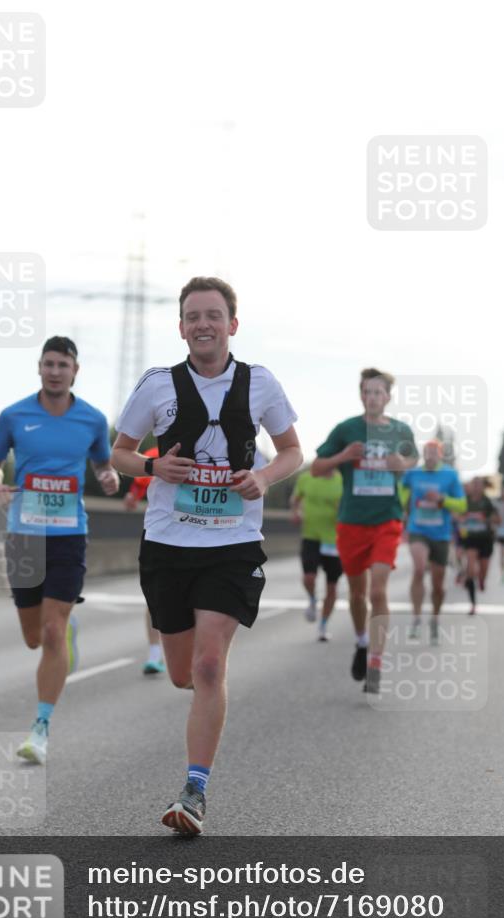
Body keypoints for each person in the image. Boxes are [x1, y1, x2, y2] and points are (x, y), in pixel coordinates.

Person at [111, 276, 302, 835]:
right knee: (181, 675)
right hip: (169, 544)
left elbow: (292, 451)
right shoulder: (157, 385)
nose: (203, 325)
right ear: (181, 327)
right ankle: (207, 700)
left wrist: (264, 476)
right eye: (193, 316)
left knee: (210, 664)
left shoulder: (260, 383)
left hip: (232, 546)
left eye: (213, 315)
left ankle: (193, 792)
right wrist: (152, 466)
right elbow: (118, 453)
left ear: (232, 325)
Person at [0, 336, 119, 764]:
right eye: (48, 364)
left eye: (63, 364)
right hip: (23, 534)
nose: (55, 371)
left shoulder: (92, 420)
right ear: (39, 368)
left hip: (68, 534)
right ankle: (62, 632)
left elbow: (102, 462)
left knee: (53, 630)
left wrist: (109, 476)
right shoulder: (14, 415)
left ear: (75, 370)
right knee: (32, 637)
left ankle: (40, 728)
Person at [311, 368, 418, 695]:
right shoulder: (347, 429)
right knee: (357, 593)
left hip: (387, 520)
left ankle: (376, 661)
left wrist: (398, 461)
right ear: (361, 396)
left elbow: (412, 462)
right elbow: (316, 468)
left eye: (378, 392)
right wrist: (344, 455)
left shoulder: (400, 430)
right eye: (367, 392)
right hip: (352, 522)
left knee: (377, 591)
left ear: (388, 397)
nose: (373, 397)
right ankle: (361, 641)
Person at [400, 440, 466, 644]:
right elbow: (401, 492)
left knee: (438, 585)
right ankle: (416, 618)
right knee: (419, 569)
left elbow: (462, 505)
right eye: (426, 452)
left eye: (433, 453)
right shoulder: (412, 474)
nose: (429, 456)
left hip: (441, 534)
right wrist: (403, 505)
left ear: (439, 455)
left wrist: (442, 500)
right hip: (417, 529)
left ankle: (435, 618)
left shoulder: (450, 475)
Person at [123, 446, 166, 674]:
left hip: (203, 540)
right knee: (155, 598)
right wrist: (133, 496)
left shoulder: (219, 443)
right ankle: (154, 654)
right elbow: (140, 481)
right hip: (160, 536)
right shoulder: (157, 452)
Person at [290, 467, 343, 640]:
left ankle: (323, 625)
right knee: (309, 578)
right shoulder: (306, 478)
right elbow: (295, 499)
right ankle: (313, 599)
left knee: (332, 586)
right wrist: (296, 512)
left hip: (334, 540)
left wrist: (342, 511)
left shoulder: (342, 481)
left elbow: (349, 507)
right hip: (310, 536)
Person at [456, 477, 496, 613]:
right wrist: (464, 518)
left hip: (485, 540)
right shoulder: (464, 501)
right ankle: (473, 605)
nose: (477, 487)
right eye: (475, 485)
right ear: (471, 486)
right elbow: (456, 516)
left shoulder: (487, 501)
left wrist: (484, 517)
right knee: (470, 570)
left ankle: (482, 580)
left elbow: (496, 518)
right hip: (470, 539)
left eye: (480, 485)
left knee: (482, 572)